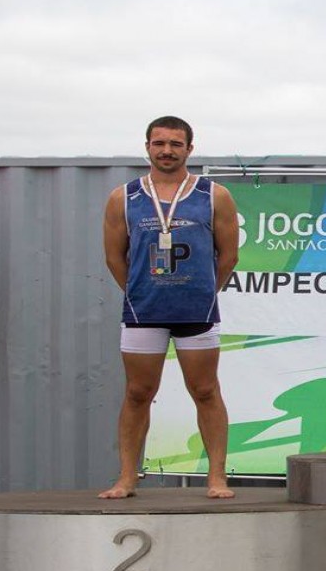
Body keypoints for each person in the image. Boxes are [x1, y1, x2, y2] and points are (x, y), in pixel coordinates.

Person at [99, 116, 239, 499]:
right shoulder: (123, 198)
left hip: (197, 311)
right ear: (147, 147)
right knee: (138, 393)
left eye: (176, 144)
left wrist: (203, 292)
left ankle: (216, 478)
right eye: (159, 143)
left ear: (189, 149)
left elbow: (229, 256)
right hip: (144, 312)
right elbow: (114, 257)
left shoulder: (214, 195)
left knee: (206, 391)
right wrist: (141, 292)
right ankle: (126, 478)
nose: (167, 151)